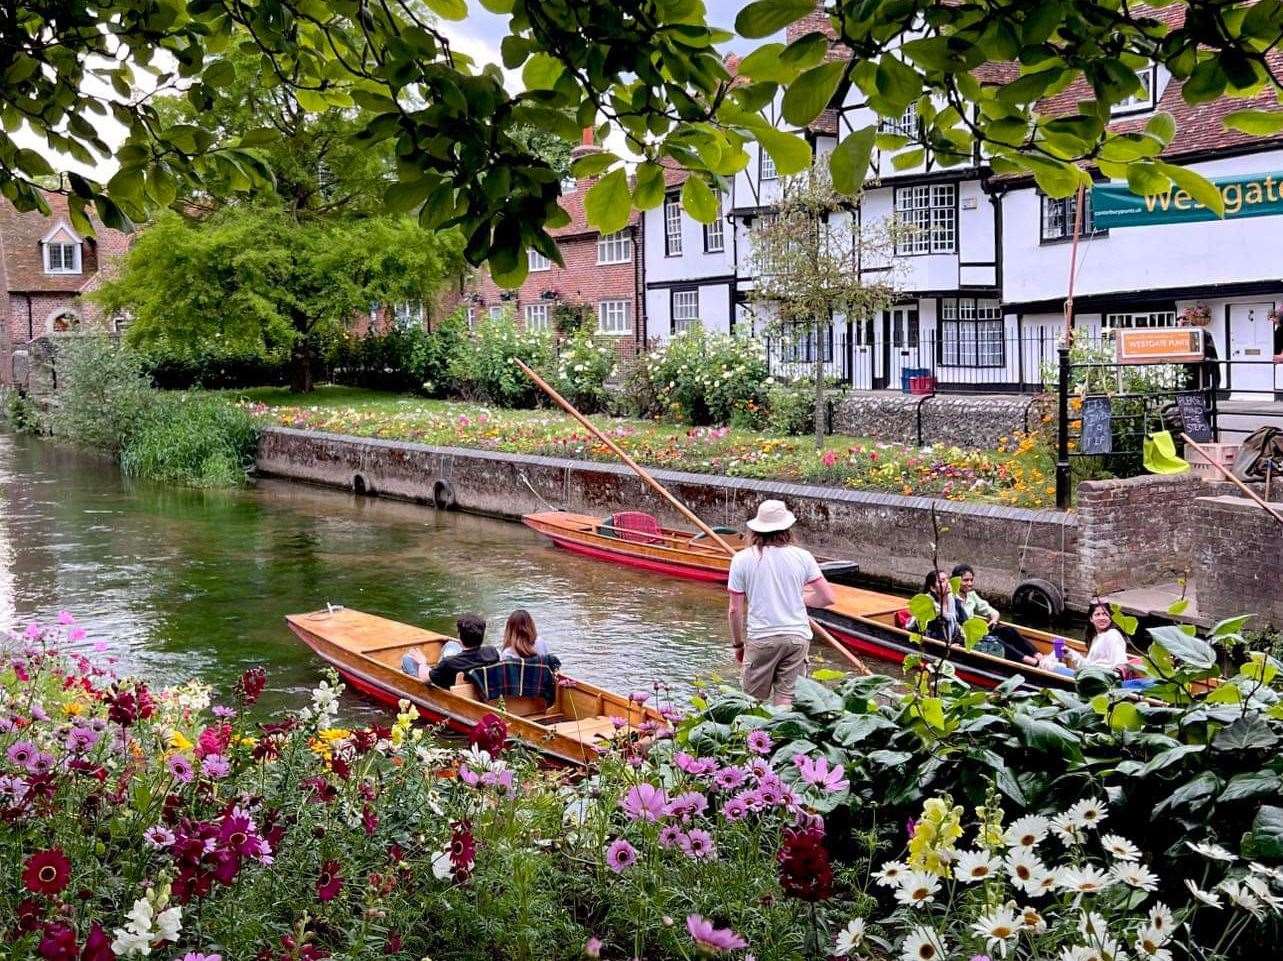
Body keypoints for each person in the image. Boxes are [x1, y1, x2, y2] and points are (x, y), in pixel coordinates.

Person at [727, 500, 835, 707]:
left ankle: (753, 738)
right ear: (787, 528)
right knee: (786, 699)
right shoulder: (803, 557)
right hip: (797, 637)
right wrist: (797, 601)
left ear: (756, 530)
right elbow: (827, 597)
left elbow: (734, 610)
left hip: (762, 637)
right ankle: (781, 737)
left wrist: (738, 645)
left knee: (752, 701)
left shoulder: (741, 559)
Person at [951, 563, 1040, 666]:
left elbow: (991, 611)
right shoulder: (951, 599)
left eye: (971, 580)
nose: (970, 583)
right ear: (956, 580)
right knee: (996, 642)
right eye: (966, 580)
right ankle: (1033, 663)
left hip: (979, 632)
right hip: (966, 637)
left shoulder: (971, 595)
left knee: (1009, 631)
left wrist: (994, 619)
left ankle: (1039, 656)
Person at [428, 613, 499, 687]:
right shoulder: (492, 652)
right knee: (451, 644)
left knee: (450, 646)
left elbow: (425, 679)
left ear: (459, 635)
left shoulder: (448, 662)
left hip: (454, 692)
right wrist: (455, 640)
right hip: (483, 690)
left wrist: (421, 662)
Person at [910, 570, 968, 643]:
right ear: (933, 588)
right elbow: (927, 635)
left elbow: (965, 624)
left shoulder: (956, 602)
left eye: (947, 579)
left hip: (954, 643)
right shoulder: (929, 608)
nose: (948, 582)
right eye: (942, 581)